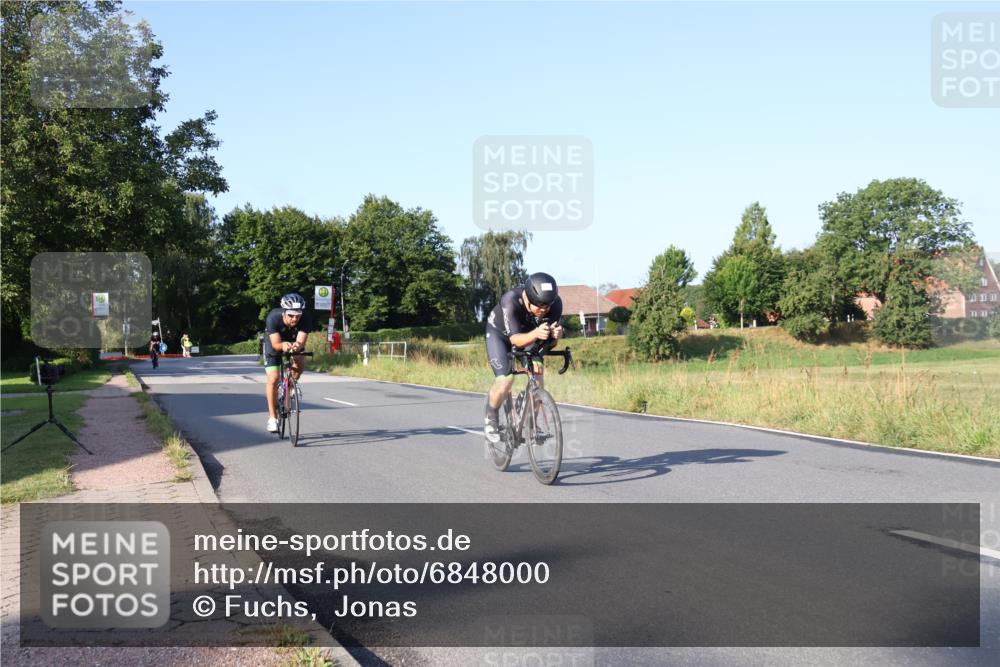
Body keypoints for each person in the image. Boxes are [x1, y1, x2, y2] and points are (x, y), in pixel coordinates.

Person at [483, 272, 564, 443]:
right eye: (539, 305)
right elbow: (515, 340)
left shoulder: (555, 305)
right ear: (528, 298)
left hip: (529, 336)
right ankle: (491, 417)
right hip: (500, 336)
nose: (544, 310)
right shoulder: (511, 300)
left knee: (538, 371)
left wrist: (555, 336)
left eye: (547, 305)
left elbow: (549, 345)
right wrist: (536, 333)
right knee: (506, 379)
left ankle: (531, 422)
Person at [263, 293, 313, 433]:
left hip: (292, 340)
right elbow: (276, 344)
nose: (295, 319)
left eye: (298, 315)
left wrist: (297, 347)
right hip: (274, 342)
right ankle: (272, 418)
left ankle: (290, 385)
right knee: (273, 378)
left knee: (300, 360)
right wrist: (284, 346)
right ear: (284, 312)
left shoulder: (306, 319)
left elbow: (301, 341)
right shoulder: (273, 317)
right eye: (291, 315)